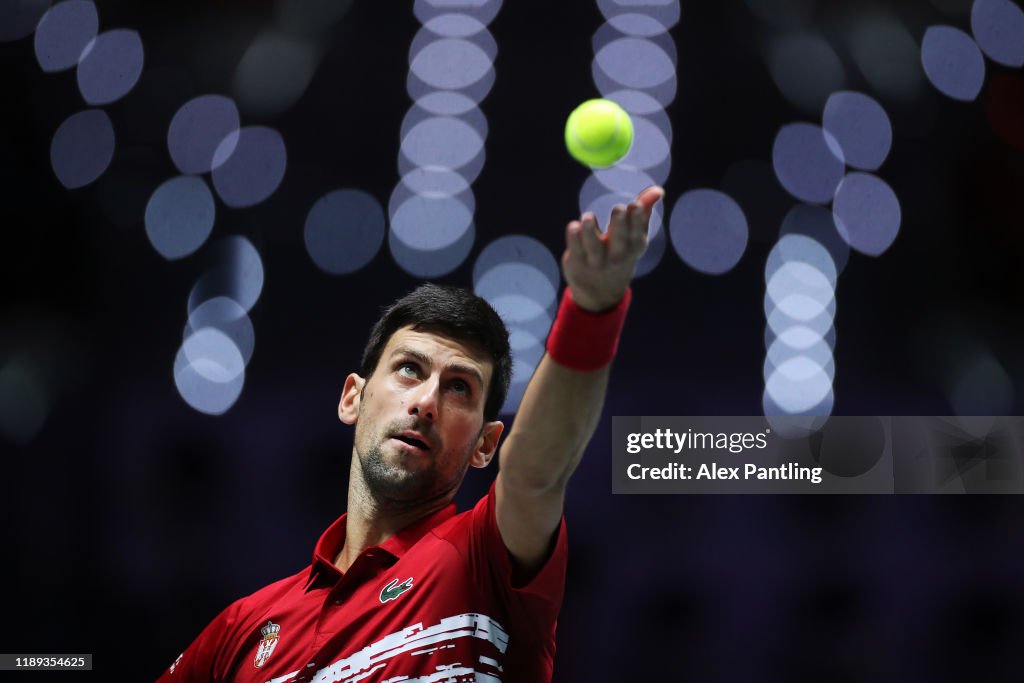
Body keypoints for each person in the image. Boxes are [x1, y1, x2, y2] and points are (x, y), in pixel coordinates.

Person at [158, 186, 665, 683]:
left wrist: (592, 309)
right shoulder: (241, 631)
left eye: (460, 387)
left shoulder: (483, 561)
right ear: (352, 397)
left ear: (486, 444)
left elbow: (537, 470)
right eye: (408, 369)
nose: (425, 402)